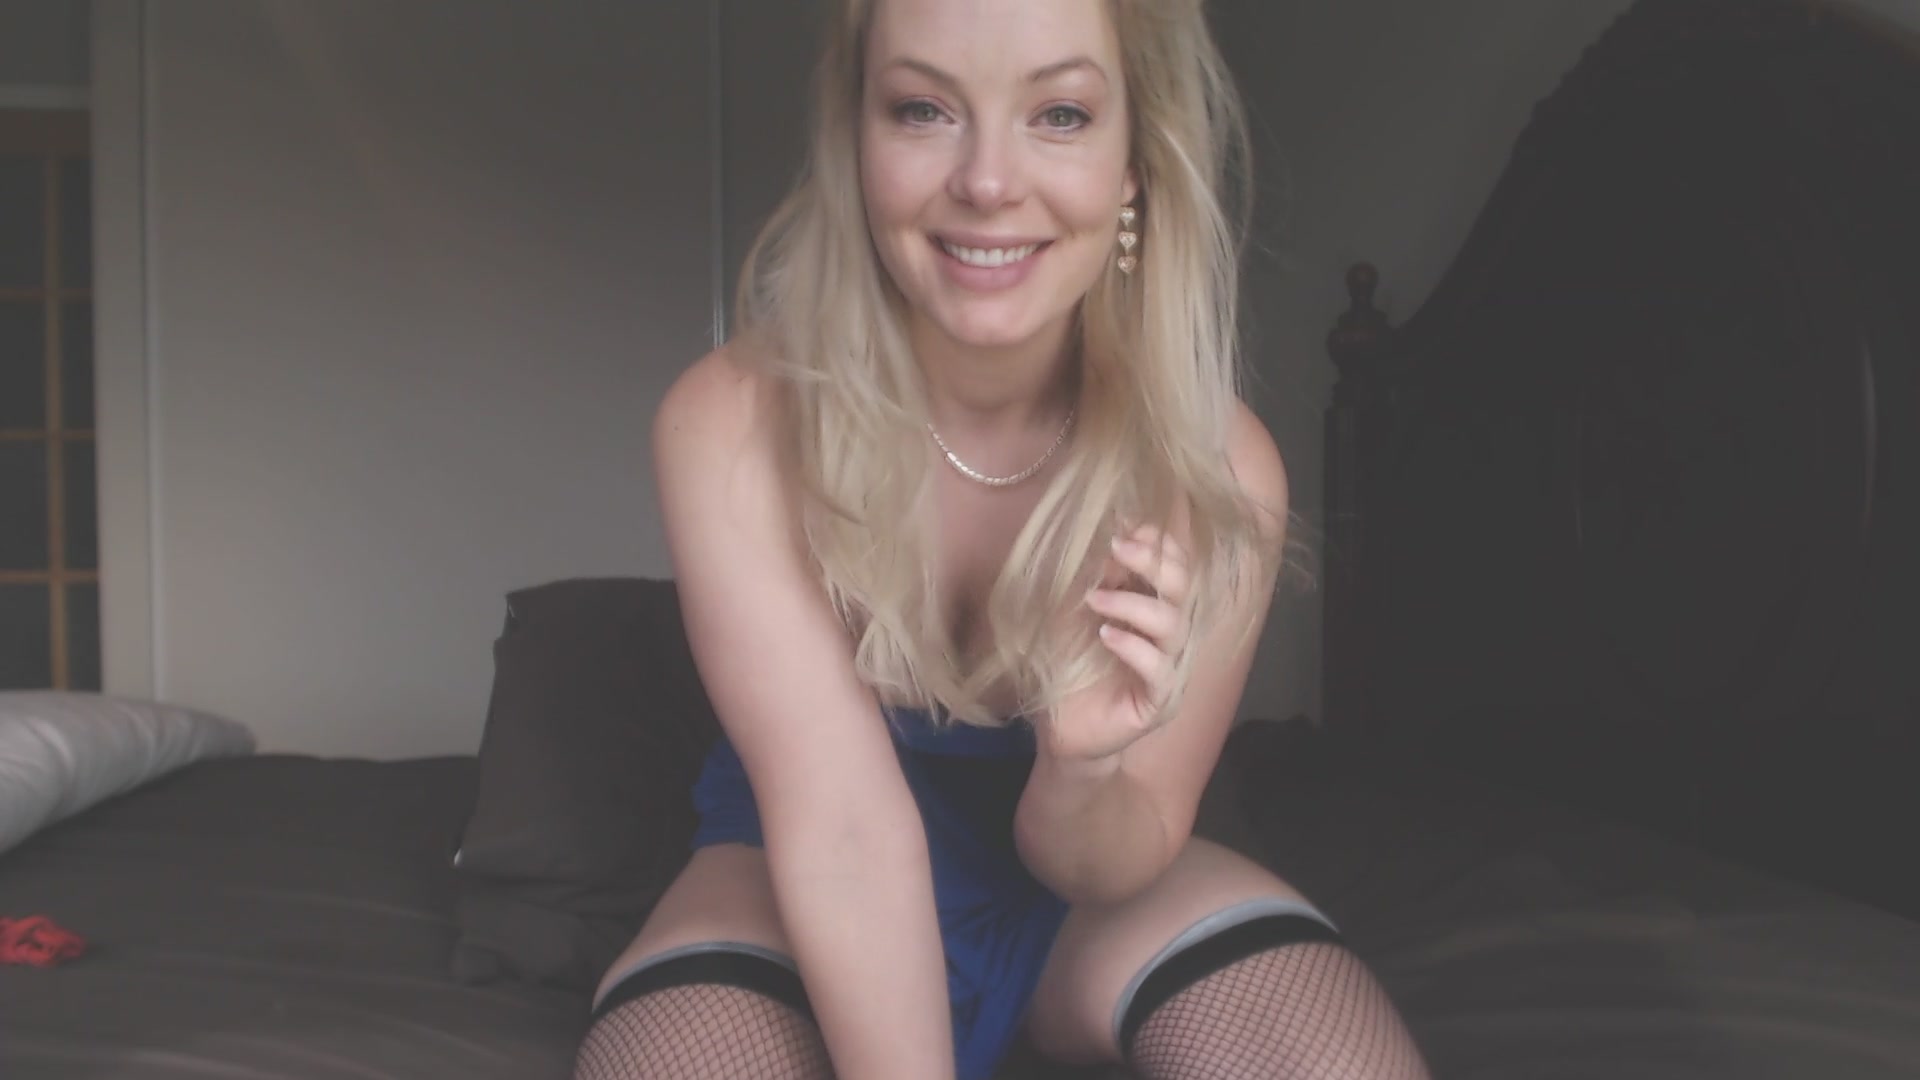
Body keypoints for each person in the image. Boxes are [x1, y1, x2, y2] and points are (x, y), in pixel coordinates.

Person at [575, 1, 1433, 1077]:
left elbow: (1114, 860)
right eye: (923, 109)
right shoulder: (734, 421)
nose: (987, 181)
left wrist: (1079, 768)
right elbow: (842, 828)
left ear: (1135, 165)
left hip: (1081, 900)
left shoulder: (1213, 467)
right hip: (798, 872)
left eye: (1060, 114)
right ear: (855, 139)